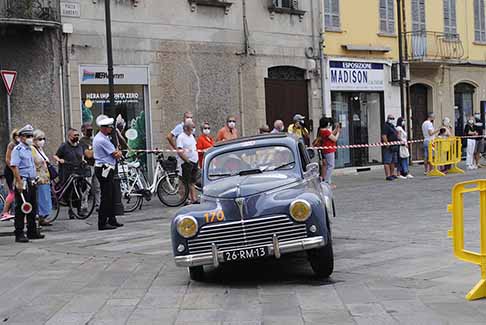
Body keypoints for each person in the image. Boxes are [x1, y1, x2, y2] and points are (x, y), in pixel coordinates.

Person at [10, 125, 44, 242]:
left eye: (31, 136)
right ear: (21, 137)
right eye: (28, 136)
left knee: (32, 207)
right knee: (21, 208)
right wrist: (19, 182)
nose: (30, 138)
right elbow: (14, 167)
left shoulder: (29, 149)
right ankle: (19, 233)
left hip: (31, 181)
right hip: (23, 181)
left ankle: (32, 231)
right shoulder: (17, 150)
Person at [93, 117, 124, 230]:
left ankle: (112, 219)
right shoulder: (101, 140)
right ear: (104, 128)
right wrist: (119, 152)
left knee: (111, 196)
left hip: (106, 168)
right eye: (109, 127)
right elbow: (115, 154)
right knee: (106, 197)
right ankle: (102, 222)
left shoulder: (103, 138)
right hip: (104, 169)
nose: (111, 129)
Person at [32, 129, 53, 226]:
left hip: (45, 177)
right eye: (40, 139)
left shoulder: (40, 149)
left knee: (46, 198)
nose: (42, 141)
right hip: (39, 177)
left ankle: (43, 217)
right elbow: (35, 161)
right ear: (34, 139)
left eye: (43, 139)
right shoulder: (32, 149)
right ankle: (39, 217)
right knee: (40, 198)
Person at [177, 121, 199, 204]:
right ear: (186, 128)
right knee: (186, 182)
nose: (193, 129)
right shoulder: (181, 137)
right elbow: (179, 151)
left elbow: (194, 147)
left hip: (194, 161)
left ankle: (194, 198)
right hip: (187, 162)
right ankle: (187, 199)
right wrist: (187, 160)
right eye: (191, 127)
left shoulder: (191, 136)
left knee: (192, 181)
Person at [80, 122, 101, 208]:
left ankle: (98, 204)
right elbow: (88, 154)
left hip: (96, 165)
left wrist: (94, 152)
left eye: (91, 130)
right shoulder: (82, 141)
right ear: (83, 131)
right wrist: (96, 152)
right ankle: (84, 205)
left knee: (97, 187)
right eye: (88, 130)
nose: (90, 131)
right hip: (88, 166)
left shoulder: (93, 140)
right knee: (87, 188)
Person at [1, 129, 19, 221]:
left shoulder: (19, 146)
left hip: (15, 171)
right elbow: (8, 160)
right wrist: (13, 170)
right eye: (17, 136)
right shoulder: (11, 145)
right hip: (10, 171)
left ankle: (11, 211)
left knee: (16, 193)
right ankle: (5, 212)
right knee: (12, 192)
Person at [318, 117, 340, 187]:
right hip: (329, 150)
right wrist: (338, 132)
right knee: (331, 166)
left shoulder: (321, 130)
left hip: (325, 150)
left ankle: (328, 182)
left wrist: (335, 130)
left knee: (327, 166)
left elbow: (330, 135)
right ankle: (326, 182)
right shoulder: (326, 131)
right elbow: (335, 139)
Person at [382, 115, 399, 181]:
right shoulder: (386, 126)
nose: (392, 119)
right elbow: (384, 135)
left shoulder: (392, 126)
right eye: (391, 118)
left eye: (393, 118)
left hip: (394, 146)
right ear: (388, 119)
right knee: (387, 161)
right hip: (389, 146)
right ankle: (388, 175)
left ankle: (392, 174)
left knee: (393, 161)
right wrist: (387, 144)